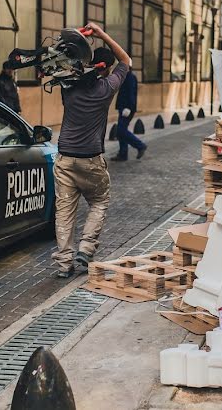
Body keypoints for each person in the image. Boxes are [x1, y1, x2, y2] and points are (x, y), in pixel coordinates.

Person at [52, 22, 131, 278]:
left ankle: (64, 264)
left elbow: (64, 66)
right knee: (99, 201)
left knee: (64, 212)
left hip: (65, 158)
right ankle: (86, 249)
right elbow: (126, 60)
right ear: (106, 69)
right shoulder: (106, 89)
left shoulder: (69, 88)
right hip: (91, 160)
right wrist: (101, 34)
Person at [112, 68, 147, 161]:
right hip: (123, 108)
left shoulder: (130, 77)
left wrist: (129, 108)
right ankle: (123, 154)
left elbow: (131, 93)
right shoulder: (125, 76)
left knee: (121, 131)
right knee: (121, 132)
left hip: (127, 109)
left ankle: (140, 146)